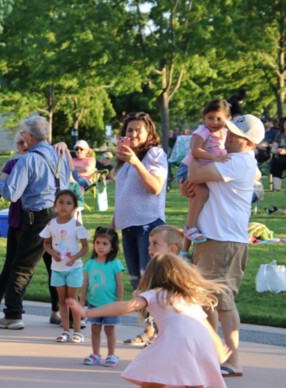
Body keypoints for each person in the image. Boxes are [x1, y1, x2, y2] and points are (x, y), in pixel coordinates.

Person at [68, 254, 229, 388]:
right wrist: (219, 351)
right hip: (203, 342)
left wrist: (87, 312)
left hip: (176, 342)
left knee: (152, 378)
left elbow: (125, 306)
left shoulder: (155, 294)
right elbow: (207, 328)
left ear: (150, 275)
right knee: (194, 380)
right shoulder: (188, 298)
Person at [187, 114, 265, 378]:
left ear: (250, 144)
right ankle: (214, 355)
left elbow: (195, 173)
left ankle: (231, 360)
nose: (227, 135)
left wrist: (194, 149)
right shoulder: (231, 159)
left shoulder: (239, 161)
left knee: (222, 301)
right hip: (214, 238)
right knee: (208, 300)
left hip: (223, 241)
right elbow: (196, 183)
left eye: (235, 135)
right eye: (229, 131)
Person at [0, 115, 70, 329]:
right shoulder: (60, 155)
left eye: (24, 134)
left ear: (30, 137)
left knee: (21, 267)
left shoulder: (28, 159)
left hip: (37, 218)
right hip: (59, 216)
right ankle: (66, 312)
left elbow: (11, 193)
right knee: (58, 267)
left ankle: (13, 314)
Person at [112, 112, 167, 346]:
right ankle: (148, 331)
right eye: (129, 130)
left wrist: (136, 162)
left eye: (138, 130)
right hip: (129, 227)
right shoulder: (125, 161)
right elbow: (123, 196)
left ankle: (164, 332)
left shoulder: (154, 154)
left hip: (148, 226)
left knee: (151, 283)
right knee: (138, 285)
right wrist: (112, 227)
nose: (132, 134)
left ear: (149, 134)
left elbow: (155, 187)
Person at [0, 130, 34, 325]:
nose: (23, 146)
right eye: (19, 142)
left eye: (26, 141)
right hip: (18, 218)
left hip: (38, 219)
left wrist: (63, 147)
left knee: (46, 267)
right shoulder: (14, 163)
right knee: (11, 266)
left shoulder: (39, 160)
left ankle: (57, 311)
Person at [176, 99, 231, 257]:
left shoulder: (225, 134)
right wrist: (215, 157)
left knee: (198, 204)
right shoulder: (203, 131)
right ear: (203, 117)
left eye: (219, 118)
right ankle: (189, 231)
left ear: (228, 118)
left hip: (204, 172)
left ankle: (185, 250)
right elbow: (195, 151)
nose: (214, 122)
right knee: (200, 196)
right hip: (189, 170)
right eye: (210, 118)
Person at [40, 190, 89, 343]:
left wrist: (74, 258)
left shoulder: (76, 225)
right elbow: (46, 243)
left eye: (69, 203)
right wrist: (52, 254)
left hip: (74, 268)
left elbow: (85, 247)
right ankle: (65, 330)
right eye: (61, 202)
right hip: (57, 268)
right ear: (55, 205)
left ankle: (77, 331)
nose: (64, 206)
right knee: (62, 301)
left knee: (72, 300)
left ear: (74, 207)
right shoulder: (51, 224)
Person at [80, 227, 124, 367]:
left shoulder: (115, 264)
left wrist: (119, 303)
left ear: (112, 247)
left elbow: (120, 284)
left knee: (109, 329)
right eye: (98, 243)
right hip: (94, 303)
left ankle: (111, 355)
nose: (100, 246)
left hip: (110, 305)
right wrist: (81, 300)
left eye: (105, 244)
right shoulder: (90, 263)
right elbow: (85, 282)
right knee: (95, 329)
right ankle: (95, 354)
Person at [270, 117, 286, 192]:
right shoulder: (279, 135)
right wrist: (277, 151)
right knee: (276, 163)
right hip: (281, 157)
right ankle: (276, 188)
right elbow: (273, 149)